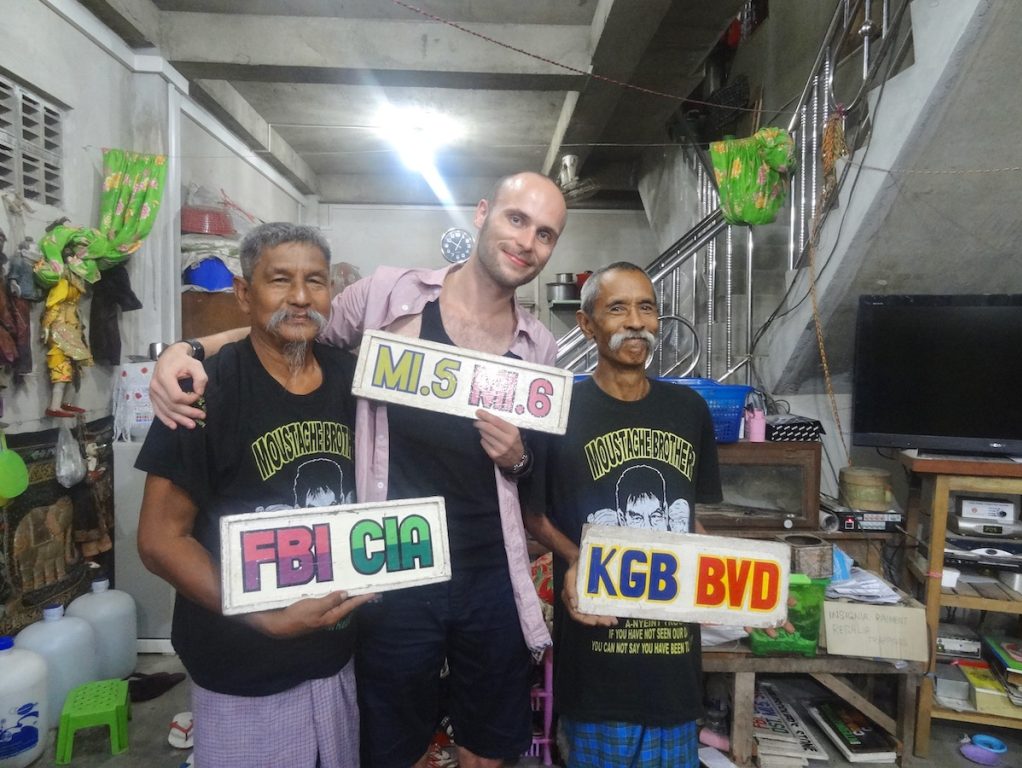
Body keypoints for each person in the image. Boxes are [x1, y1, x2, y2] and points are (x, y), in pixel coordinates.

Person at [147, 172, 568, 768]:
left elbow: (530, 466)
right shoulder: (388, 295)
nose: (526, 241)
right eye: (517, 219)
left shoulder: (538, 346)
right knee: (390, 742)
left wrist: (516, 456)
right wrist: (186, 349)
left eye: (545, 233)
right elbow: (292, 326)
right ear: (482, 214)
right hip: (391, 563)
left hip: (490, 569)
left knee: (488, 741)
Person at [136, 222, 375, 768]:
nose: (299, 297)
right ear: (245, 293)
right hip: (241, 662)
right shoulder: (205, 391)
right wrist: (264, 615)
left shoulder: (352, 380)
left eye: (315, 281)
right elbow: (159, 540)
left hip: (337, 655)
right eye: (279, 280)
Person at [522, 262, 723, 768]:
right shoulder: (559, 408)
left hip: (674, 666)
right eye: (618, 308)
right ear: (587, 325)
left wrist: (737, 580)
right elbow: (532, 514)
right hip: (597, 665)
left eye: (646, 307)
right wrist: (577, 559)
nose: (635, 321)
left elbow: (690, 520)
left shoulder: (689, 409)